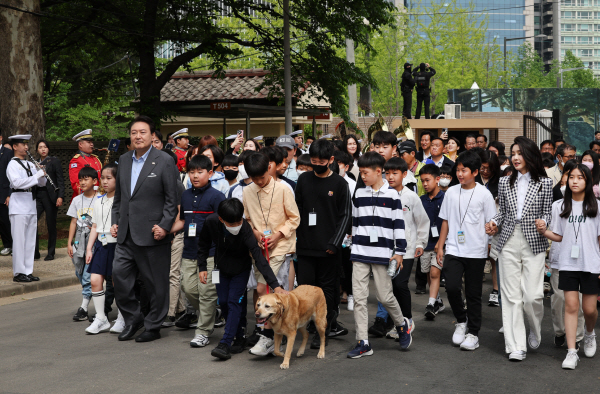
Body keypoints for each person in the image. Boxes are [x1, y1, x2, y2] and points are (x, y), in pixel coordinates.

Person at [110, 115, 179, 342]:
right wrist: (115, 221)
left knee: (156, 283)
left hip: (153, 233)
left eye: (142, 132)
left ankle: (153, 325)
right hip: (126, 233)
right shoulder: (124, 160)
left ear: (152, 136)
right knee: (119, 277)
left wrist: (166, 226)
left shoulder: (165, 160)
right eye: (133, 133)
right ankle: (134, 318)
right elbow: (119, 198)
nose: (138, 136)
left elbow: (172, 199)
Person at [486, 136, 553, 361]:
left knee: (533, 296)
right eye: (513, 154)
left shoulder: (545, 183)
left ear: (530, 155)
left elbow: (547, 212)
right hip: (508, 240)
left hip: (534, 241)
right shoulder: (505, 182)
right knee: (511, 296)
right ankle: (516, 345)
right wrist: (494, 222)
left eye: (519, 153)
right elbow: (502, 212)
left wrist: (544, 222)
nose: (515, 158)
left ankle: (534, 328)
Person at [197, 199, 286, 360]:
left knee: (234, 302)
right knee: (223, 302)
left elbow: (259, 258)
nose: (236, 225)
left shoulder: (245, 229)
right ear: (221, 219)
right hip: (221, 269)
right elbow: (203, 244)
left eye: (239, 221)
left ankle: (225, 343)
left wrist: (275, 285)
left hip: (240, 271)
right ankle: (239, 336)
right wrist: (202, 266)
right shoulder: (211, 222)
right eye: (232, 223)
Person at [347, 152, 412, 358]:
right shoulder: (359, 194)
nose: (363, 176)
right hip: (359, 252)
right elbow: (355, 223)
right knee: (359, 298)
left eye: (366, 173)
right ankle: (363, 341)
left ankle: (402, 324)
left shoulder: (393, 195)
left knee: (384, 296)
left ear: (378, 171)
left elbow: (398, 226)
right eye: (361, 173)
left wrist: (399, 252)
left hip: (384, 253)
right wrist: (353, 244)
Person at [537, 164, 600, 369]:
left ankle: (589, 333)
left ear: (588, 181)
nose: (574, 181)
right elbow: (559, 236)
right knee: (571, 306)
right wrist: (544, 231)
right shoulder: (559, 206)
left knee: (589, 309)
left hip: (591, 264)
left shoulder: (597, 207)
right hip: (567, 263)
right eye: (571, 177)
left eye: (580, 177)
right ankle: (571, 351)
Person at [437, 150, 497, 351]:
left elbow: (491, 223)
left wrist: (489, 244)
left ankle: (473, 333)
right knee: (452, 287)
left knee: (473, 293)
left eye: (464, 170)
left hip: (476, 251)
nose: (460, 174)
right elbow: (445, 220)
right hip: (454, 248)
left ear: (475, 172)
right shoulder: (452, 192)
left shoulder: (484, 194)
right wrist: (440, 245)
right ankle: (461, 321)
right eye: (458, 170)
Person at [295, 139, 351, 348]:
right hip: (306, 246)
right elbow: (297, 210)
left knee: (327, 291)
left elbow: (345, 216)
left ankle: (324, 329)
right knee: (306, 289)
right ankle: (309, 324)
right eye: (313, 160)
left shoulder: (340, 184)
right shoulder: (303, 180)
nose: (316, 164)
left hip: (329, 248)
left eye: (321, 161)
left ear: (331, 160)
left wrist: (335, 243)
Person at [243, 153, 300, 356]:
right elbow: (247, 219)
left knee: (263, 287)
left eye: (262, 177)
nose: (259, 182)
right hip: (259, 248)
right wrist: (256, 232)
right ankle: (270, 332)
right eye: (254, 178)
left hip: (281, 245)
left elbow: (295, 218)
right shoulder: (247, 191)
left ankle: (267, 337)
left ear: (269, 168)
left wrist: (277, 235)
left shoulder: (284, 188)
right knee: (266, 293)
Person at [170, 154, 226, 347]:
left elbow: (223, 225)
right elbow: (184, 221)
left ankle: (203, 331)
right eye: (191, 172)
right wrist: (165, 231)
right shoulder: (185, 195)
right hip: (189, 250)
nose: (195, 175)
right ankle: (210, 313)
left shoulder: (217, 197)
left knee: (207, 292)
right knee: (188, 288)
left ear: (210, 173)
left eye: (200, 172)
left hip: (210, 253)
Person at [377, 157, 429, 339]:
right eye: (387, 173)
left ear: (404, 174)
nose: (390, 177)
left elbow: (422, 221)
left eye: (395, 173)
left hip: (406, 250)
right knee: (388, 288)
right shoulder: (382, 194)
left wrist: (421, 243)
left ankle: (407, 320)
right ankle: (396, 323)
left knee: (400, 284)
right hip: (386, 249)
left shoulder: (411, 197)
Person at [83, 163, 123, 334]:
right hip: (101, 243)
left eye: (109, 178)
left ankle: (122, 317)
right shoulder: (98, 200)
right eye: (103, 178)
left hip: (117, 245)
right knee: (95, 280)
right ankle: (101, 318)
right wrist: (89, 248)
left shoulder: (122, 201)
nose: (105, 182)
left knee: (118, 282)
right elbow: (94, 226)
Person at [6, 134, 46, 282]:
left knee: (30, 241)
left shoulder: (30, 164)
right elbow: (17, 183)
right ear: (15, 147)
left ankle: (28, 271)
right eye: (23, 144)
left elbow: (40, 184)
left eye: (27, 144)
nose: (26, 147)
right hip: (18, 205)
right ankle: (18, 273)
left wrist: (41, 174)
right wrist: (36, 176)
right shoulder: (12, 165)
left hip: (30, 203)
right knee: (19, 241)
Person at [67, 166, 99, 320]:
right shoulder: (76, 199)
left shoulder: (100, 198)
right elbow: (73, 221)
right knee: (79, 272)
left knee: (87, 274)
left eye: (86, 179)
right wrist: (69, 243)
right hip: (79, 241)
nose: (82, 182)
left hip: (92, 241)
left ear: (94, 181)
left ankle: (84, 307)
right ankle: (95, 296)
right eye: (80, 179)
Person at [418, 164, 446, 319]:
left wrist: (441, 242)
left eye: (427, 180)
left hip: (440, 244)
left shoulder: (446, 198)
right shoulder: (421, 200)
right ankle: (437, 300)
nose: (425, 184)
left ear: (437, 179)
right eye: (422, 181)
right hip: (426, 242)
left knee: (435, 272)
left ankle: (430, 304)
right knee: (429, 273)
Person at [34, 140, 64, 261]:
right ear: (37, 150)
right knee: (32, 222)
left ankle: (51, 252)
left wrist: (60, 196)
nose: (43, 149)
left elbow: (60, 180)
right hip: (38, 194)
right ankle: (35, 252)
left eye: (45, 147)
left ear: (48, 149)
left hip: (50, 195)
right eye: (40, 147)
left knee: (51, 224)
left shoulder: (54, 161)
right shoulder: (34, 163)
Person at [69, 129, 102, 201]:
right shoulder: (76, 160)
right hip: (84, 198)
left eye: (92, 142)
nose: (92, 144)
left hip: (98, 196)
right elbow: (76, 184)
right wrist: (89, 196)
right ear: (80, 144)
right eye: (88, 142)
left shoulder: (95, 158)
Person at [0, 135, 13, 257]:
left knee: (7, 221)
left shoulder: (7, 153)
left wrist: (9, 194)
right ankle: (7, 245)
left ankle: (13, 245)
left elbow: (11, 176)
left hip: (4, 193)